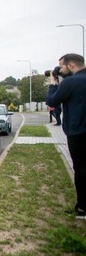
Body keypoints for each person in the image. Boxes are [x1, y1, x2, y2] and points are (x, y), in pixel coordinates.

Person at [46, 53, 86, 219]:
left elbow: (52, 101)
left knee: (81, 170)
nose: (59, 70)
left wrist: (53, 83)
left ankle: (82, 208)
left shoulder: (70, 82)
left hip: (78, 132)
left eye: (61, 66)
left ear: (71, 66)